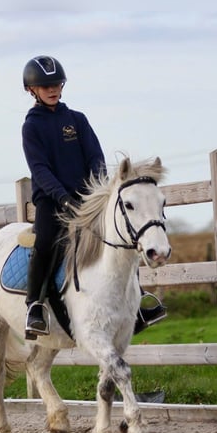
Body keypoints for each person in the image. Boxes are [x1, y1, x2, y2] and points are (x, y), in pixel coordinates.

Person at [21, 55, 166, 338]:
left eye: (56, 84)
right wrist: (64, 199)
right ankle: (34, 305)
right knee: (47, 242)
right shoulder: (32, 127)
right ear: (32, 90)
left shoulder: (77, 120)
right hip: (53, 202)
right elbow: (40, 170)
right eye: (45, 86)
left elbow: (96, 158)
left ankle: (135, 306)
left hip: (89, 199)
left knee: (124, 239)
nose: (52, 89)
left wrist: (95, 192)